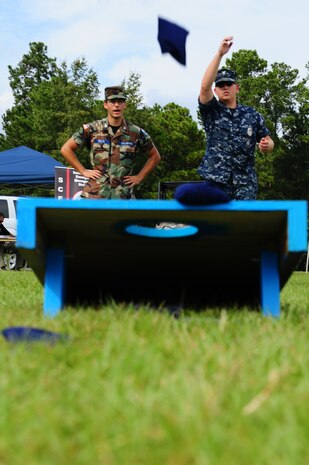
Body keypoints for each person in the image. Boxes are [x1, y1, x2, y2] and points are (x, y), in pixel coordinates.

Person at [198, 36, 274, 200]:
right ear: (216, 90)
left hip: (244, 183)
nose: (225, 87)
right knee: (215, 225)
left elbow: (268, 140)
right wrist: (220, 54)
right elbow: (204, 87)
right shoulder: (212, 111)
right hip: (215, 181)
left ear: (237, 88)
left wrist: (267, 145)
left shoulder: (252, 115)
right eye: (220, 85)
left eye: (229, 84)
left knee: (242, 224)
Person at [60, 86, 161, 199]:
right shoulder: (92, 129)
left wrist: (139, 177)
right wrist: (83, 171)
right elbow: (66, 149)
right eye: (112, 101)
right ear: (105, 104)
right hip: (95, 196)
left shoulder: (135, 132)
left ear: (125, 105)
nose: (116, 105)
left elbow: (155, 156)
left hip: (123, 198)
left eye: (120, 101)